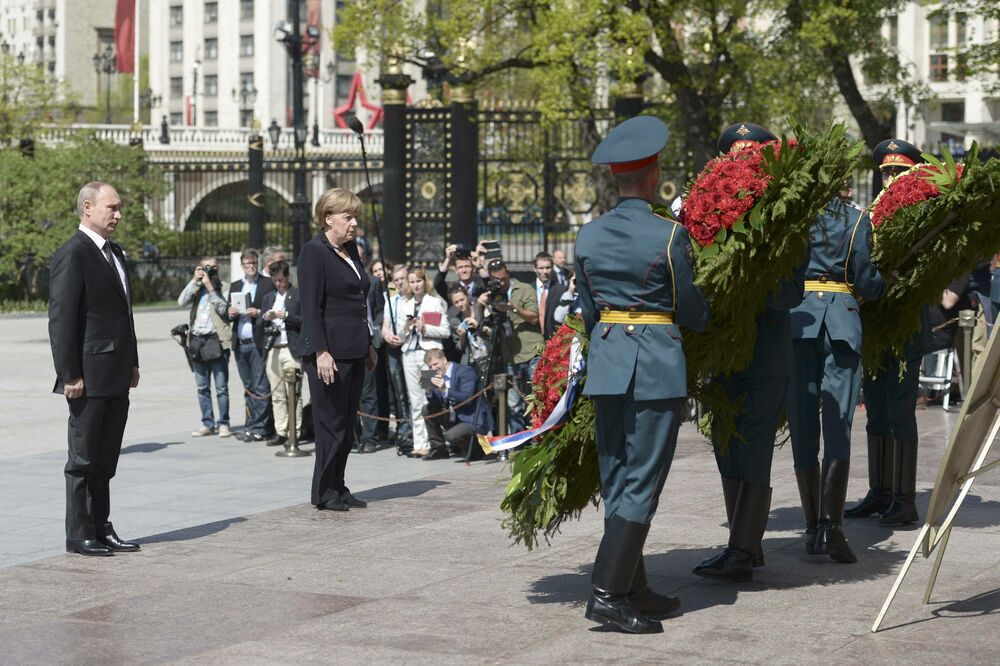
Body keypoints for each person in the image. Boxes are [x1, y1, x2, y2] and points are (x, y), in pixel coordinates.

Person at [575, 116, 709, 633]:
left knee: (618, 478)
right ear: (653, 176)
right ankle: (607, 594)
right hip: (654, 364)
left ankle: (632, 584)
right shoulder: (669, 235)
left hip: (609, 363)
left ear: (616, 178)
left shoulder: (588, 235)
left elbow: (588, 312)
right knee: (643, 481)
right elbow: (692, 310)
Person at [693, 123, 805, 583]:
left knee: (755, 444)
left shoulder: (789, 221)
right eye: (733, 161)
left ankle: (741, 551)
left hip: (765, 350)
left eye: (751, 160)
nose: (741, 168)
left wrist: (751, 283)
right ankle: (747, 542)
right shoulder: (708, 222)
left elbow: (792, 292)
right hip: (724, 351)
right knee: (725, 441)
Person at [788, 182, 887, 564]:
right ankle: (832, 526)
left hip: (799, 322)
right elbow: (866, 280)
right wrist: (883, 284)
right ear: (844, 184)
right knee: (838, 423)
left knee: (801, 421)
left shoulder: (797, 221)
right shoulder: (858, 219)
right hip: (841, 324)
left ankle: (812, 528)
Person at [49, 181, 141, 556]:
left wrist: (133, 361)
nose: (118, 215)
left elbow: (124, 314)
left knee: (106, 458)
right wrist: (69, 374)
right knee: (83, 459)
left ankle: (102, 525)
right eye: (112, 208)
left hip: (117, 372)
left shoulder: (114, 252)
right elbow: (62, 319)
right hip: (87, 375)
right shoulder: (73, 253)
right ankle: (79, 532)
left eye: (119, 208)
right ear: (88, 208)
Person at [847, 139, 927, 527]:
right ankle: (880, 492)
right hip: (875, 322)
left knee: (899, 410)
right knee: (875, 409)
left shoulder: (927, 216)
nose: (892, 178)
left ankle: (905, 498)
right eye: (886, 172)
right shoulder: (873, 216)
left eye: (899, 171)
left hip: (906, 325)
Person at [298, 188, 377, 511]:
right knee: (330, 423)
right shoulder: (313, 252)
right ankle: (324, 491)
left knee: (346, 424)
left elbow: (359, 301)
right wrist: (321, 352)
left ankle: (339, 484)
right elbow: (311, 306)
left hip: (355, 348)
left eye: (355, 216)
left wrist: (368, 343)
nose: (354, 223)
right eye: (348, 217)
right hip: (329, 352)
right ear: (328, 218)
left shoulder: (351, 250)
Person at [478, 259, 543, 433]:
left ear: (507, 272)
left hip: (531, 353)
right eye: (496, 277)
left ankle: (539, 441)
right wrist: (480, 306)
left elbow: (535, 317)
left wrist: (513, 308)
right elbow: (486, 329)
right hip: (509, 356)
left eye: (502, 275)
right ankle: (519, 448)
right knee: (514, 406)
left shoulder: (523, 289)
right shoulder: (491, 295)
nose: (500, 280)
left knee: (536, 402)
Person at [177, 256, 232, 438]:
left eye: (212, 267)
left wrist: (210, 288)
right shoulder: (197, 287)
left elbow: (225, 309)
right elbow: (181, 301)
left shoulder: (224, 287)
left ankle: (223, 423)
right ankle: (207, 423)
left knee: (221, 387)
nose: (209, 271)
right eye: (205, 267)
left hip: (217, 340)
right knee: (202, 387)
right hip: (198, 341)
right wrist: (194, 280)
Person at [399, 268, 451, 458]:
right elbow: (399, 333)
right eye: (412, 282)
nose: (415, 285)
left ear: (424, 282)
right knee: (415, 400)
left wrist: (425, 327)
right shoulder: (405, 304)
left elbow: (445, 331)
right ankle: (418, 442)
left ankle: (431, 442)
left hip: (428, 355)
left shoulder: (433, 303)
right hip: (410, 353)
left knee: (428, 397)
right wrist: (406, 327)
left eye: (418, 281)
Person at [227, 248, 274, 442]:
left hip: (258, 341)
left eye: (254, 263)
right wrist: (230, 313)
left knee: (260, 386)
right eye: (247, 264)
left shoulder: (267, 283)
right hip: (240, 342)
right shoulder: (236, 285)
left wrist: (259, 312)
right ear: (242, 266)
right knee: (248, 387)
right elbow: (227, 315)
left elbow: (273, 308)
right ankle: (251, 424)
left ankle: (261, 428)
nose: (251, 267)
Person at [259, 260, 304, 448]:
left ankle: (295, 432)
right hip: (274, 349)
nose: (279, 284)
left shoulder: (298, 295)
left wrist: (286, 316)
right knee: (277, 394)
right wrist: (265, 317)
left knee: (293, 393)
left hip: (291, 349)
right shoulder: (269, 297)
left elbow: (306, 321)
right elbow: (260, 324)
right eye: (275, 281)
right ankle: (281, 431)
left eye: (281, 280)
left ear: (288, 277)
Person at [420, 349, 494, 459]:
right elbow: (435, 404)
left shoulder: (465, 371)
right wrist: (428, 390)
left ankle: (477, 449)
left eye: (436, 364)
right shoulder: (435, 377)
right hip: (455, 416)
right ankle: (439, 449)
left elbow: (467, 398)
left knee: (451, 436)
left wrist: (445, 390)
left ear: (444, 360)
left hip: (472, 417)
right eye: (430, 366)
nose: (433, 368)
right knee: (427, 409)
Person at [357, 258, 390, 453]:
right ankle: (353, 436)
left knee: (369, 392)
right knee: (349, 394)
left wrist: (374, 329)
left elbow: (380, 310)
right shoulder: (339, 280)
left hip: (368, 340)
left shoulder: (373, 282)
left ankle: (370, 437)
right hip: (346, 342)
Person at [382, 264, 414, 449]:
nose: (400, 282)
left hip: (411, 348)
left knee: (415, 390)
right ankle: (404, 426)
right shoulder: (391, 300)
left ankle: (418, 425)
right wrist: (387, 335)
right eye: (396, 280)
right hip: (394, 349)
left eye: (403, 278)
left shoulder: (415, 300)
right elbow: (386, 325)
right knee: (399, 390)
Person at [446, 283, 489, 375]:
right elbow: (459, 348)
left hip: (488, 354)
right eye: (456, 302)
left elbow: (491, 332)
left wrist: (478, 326)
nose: (460, 304)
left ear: (467, 297)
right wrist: (463, 336)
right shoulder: (455, 321)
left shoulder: (480, 310)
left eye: (462, 299)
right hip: (472, 360)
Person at [534, 252, 575, 339]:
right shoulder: (529, 289)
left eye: (548, 268)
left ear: (552, 268)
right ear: (535, 269)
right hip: (533, 340)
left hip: (553, 340)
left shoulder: (561, 290)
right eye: (541, 268)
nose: (545, 271)